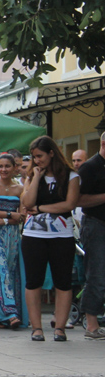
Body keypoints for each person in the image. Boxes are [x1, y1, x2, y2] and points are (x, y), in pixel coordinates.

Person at [21, 136, 79, 342]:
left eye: (40, 156)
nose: (37, 160)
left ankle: (60, 328)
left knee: (63, 282)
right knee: (33, 281)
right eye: (34, 157)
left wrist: (40, 209)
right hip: (33, 235)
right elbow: (26, 203)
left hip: (61, 235)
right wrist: (36, 177)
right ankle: (36, 328)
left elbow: (68, 205)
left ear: (51, 153)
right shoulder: (32, 176)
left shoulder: (70, 176)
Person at [0, 153, 28, 330]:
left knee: (11, 272)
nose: (3, 170)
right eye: (0, 166)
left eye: (7, 166)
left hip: (13, 235)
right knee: (0, 272)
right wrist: (9, 214)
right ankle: (10, 312)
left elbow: (22, 216)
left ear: (14, 168)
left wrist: (7, 220)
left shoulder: (19, 189)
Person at [78, 132, 105, 339]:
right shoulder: (90, 167)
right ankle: (91, 323)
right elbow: (79, 200)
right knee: (96, 272)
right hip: (96, 223)